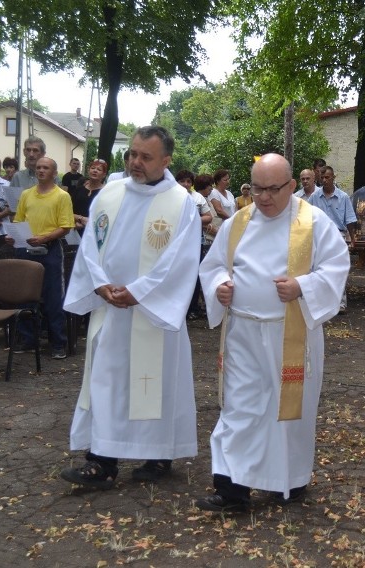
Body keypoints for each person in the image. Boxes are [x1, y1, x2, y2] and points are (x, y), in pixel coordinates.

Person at [197, 153, 350, 512]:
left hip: (289, 336)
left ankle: (289, 480)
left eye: (272, 189)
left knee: (287, 414)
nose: (264, 197)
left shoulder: (313, 222)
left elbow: (336, 266)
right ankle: (232, 490)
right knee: (239, 409)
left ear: (292, 186)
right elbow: (215, 265)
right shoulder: (238, 222)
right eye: (257, 189)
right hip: (244, 335)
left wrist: (302, 286)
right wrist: (220, 286)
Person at [61, 125, 201, 489]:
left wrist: (139, 292)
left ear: (166, 161)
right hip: (110, 309)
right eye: (132, 154)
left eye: (145, 157)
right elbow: (91, 245)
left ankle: (158, 455)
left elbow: (180, 261)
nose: (135, 162)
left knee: (154, 384)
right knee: (105, 381)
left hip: (153, 313)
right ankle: (101, 461)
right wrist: (100, 284)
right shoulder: (110, 192)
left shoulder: (180, 202)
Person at [11, 157, 74, 360]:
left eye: (45, 168)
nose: (40, 171)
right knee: (25, 296)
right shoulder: (26, 194)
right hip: (26, 250)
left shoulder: (62, 196)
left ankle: (58, 343)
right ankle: (28, 339)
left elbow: (66, 226)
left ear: (54, 172)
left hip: (50, 250)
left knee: (53, 297)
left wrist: (44, 238)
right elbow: (18, 220)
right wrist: (12, 235)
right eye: (38, 167)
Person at [309, 166, 356, 313]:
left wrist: (353, 239)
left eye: (327, 177)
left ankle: (340, 303)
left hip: (338, 235)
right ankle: (320, 303)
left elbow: (349, 220)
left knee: (338, 269)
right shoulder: (314, 197)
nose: (324, 180)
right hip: (318, 236)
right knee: (317, 269)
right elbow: (306, 218)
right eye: (322, 178)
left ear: (333, 177)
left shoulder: (343, 197)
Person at [175, 169, 213, 320]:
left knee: (194, 274)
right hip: (174, 244)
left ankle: (192, 308)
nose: (185, 184)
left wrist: (193, 219)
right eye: (182, 181)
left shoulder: (197, 198)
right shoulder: (169, 196)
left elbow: (208, 217)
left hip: (194, 242)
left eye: (189, 181)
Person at [70, 159, 108, 235]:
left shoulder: (106, 192)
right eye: (93, 168)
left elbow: (106, 215)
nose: (95, 171)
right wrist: (79, 220)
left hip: (95, 233)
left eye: (99, 169)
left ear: (104, 174)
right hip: (75, 231)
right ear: (88, 170)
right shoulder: (79, 190)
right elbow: (68, 211)